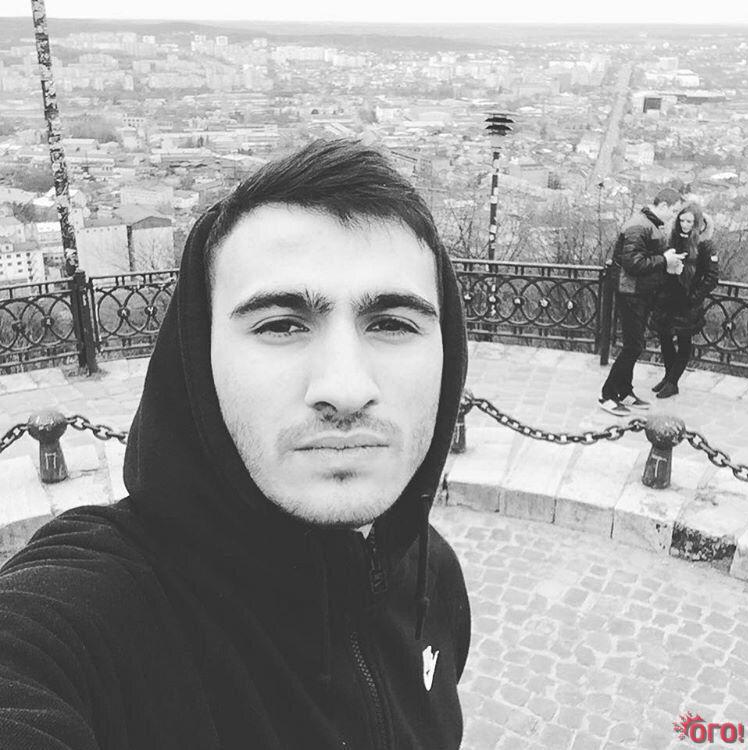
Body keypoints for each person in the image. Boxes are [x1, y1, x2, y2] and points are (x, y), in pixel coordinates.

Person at [0, 140, 471, 749]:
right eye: (281, 325)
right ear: (201, 358)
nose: (346, 388)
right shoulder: (100, 615)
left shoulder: (433, 579)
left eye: (393, 323)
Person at [599, 187, 685, 416]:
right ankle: (608, 394)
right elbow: (633, 263)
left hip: (639, 293)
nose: (673, 216)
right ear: (663, 205)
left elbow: (645, 260)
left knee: (634, 345)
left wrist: (667, 264)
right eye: (673, 211)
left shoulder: (650, 225)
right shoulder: (639, 226)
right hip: (630, 293)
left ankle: (624, 391)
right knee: (633, 346)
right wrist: (664, 260)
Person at [651, 203, 719, 398]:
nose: (685, 225)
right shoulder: (673, 239)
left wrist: (694, 297)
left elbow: (712, 277)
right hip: (668, 298)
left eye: (689, 221)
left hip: (687, 302)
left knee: (683, 340)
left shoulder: (705, 244)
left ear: (697, 223)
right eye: (682, 220)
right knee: (664, 337)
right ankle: (669, 377)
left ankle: (673, 382)